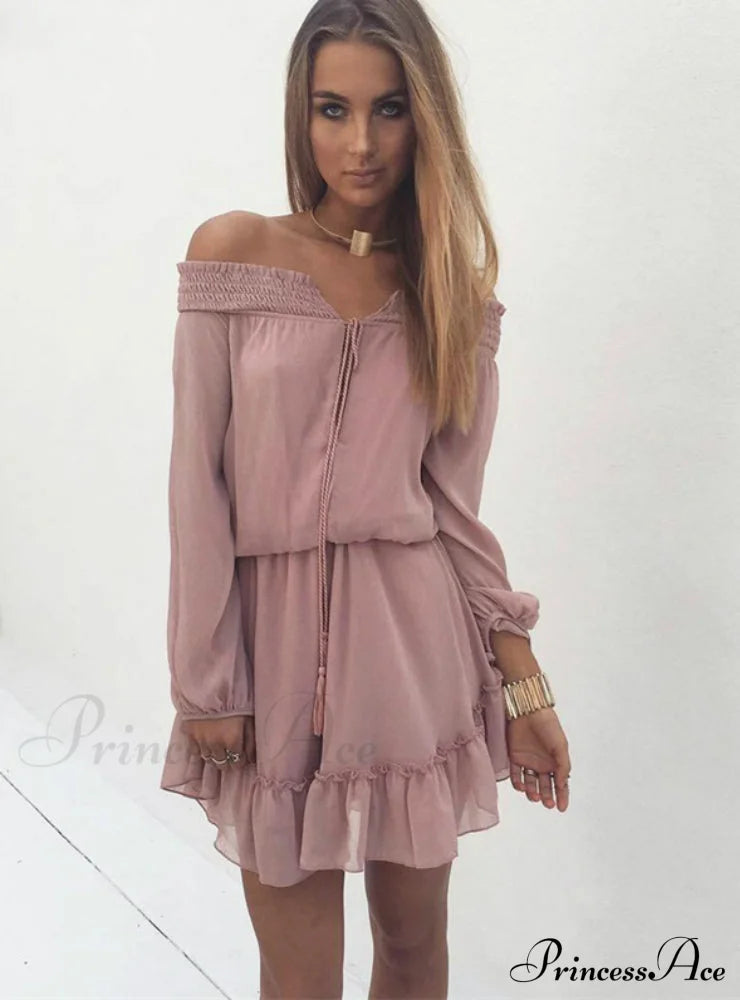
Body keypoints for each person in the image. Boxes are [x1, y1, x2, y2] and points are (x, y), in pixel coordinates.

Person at [160, 1, 571, 997]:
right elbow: (195, 481)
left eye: (388, 109)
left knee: (414, 951)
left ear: (424, 117)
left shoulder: (452, 296)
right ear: (298, 115)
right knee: (301, 977)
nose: (359, 143)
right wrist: (207, 682)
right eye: (331, 108)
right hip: (265, 656)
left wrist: (525, 689)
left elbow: (454, 515)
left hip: (408, 656)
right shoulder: (233, 251)